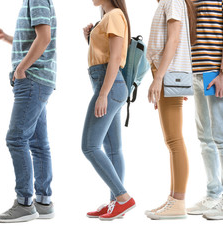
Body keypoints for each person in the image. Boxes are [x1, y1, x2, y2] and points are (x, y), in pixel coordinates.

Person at [0, 0, 57, 223]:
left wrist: (21, 68)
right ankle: (43, 202)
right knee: (38, 143)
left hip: (32, 79)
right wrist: (5, 36)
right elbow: (34, 39)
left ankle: (25, 203)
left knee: (16, 139)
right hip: (40, 79)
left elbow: (44, 38)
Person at [187, 0, 223, 220]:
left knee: (221, 137)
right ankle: (213, 194)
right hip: (197, 72)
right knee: (204, 138)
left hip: (217, 73)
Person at [81, 0, 135, 221]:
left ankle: (123, 198)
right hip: (109, 84)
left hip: (110, 86)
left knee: (89, 146)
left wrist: (102, 94)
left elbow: (114, 58)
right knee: (112, 148)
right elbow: (106, 54)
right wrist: (90, 38)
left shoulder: (114, 16)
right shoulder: (108, 17)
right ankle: (116, 203)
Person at [145, 0, 196, 220]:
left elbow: (174, 40)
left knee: (174, 140)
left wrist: (158, 78)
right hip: (167, 74)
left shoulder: (172, 0)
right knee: (172, 140)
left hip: (168, 74)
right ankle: (174, 199)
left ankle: (178, 202)